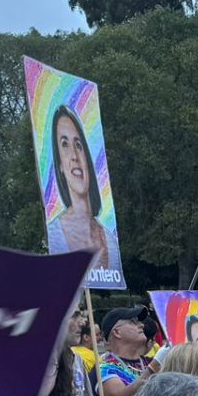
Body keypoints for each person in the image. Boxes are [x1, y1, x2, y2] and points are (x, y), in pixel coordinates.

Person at [43, 104, 114, 271]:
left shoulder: (111, 241)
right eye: (65, 145)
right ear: (60, 164)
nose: (74, 156)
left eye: (79, 144)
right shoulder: (54, 235)